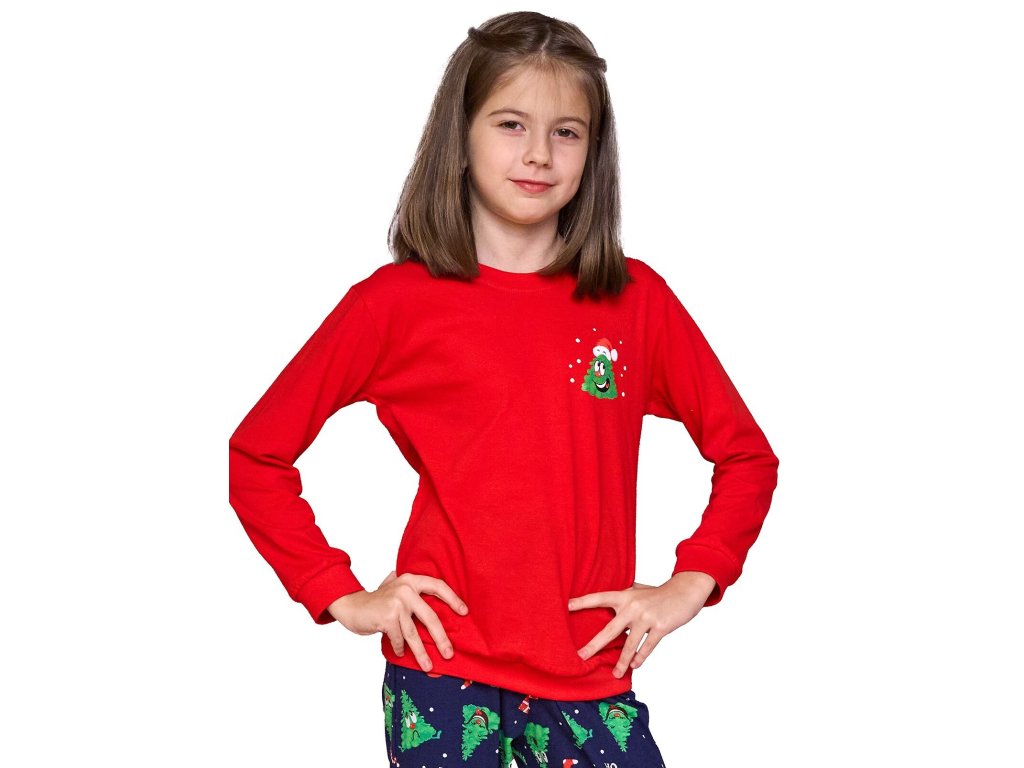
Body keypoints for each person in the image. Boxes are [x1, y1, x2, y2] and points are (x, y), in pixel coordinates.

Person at [228, 10, 779, 767]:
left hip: (590, 672)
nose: (538, 154)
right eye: (511, 124)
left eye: (566, 132)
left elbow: (746, 456)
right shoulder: (393, 304)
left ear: (593, 151)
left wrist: (693, 581)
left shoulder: (635, 302)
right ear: (461, 136)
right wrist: (337, 591)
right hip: (440, 671)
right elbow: (257, 455)